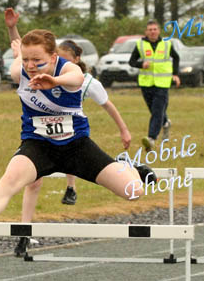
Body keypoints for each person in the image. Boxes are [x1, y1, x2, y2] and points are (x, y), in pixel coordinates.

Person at [0, 23, 156, 249]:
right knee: (8, 182)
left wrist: (55, 82)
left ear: (54, 58)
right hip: (38, 146)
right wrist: (13, 30)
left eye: (37, 60)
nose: (31, 66)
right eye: (26, 60)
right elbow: (19, 48)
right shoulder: (20, 71)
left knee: (134, 192)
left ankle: (128, 166)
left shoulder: (68, 69)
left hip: (76, 147)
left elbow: (76, 78)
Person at [13, 40, 133, 257]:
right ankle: (24, 233)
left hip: (74, 135)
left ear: (76, 61)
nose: (61, 65)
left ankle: (72, 187)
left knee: (71, 154)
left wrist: (124, 130)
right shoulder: (41, 76)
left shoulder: (86, 82)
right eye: (58, 59)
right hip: (42, 136)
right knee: (32, 182)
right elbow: (23, 49)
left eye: (66, 60)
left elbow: (108, 105)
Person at [128, 20, 180, 152]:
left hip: (163, 83)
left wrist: (175, 74)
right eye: (150, 29)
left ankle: (151, 139)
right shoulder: (140, 44)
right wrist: (141, 64)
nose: (152, 31)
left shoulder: (167, 44)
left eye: (155, 29)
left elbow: (176, 57)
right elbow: (131, 61)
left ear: (159, 31)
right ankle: (166, 123)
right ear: (146, 32)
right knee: (154, 110)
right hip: (146, 83)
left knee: (157, 110)